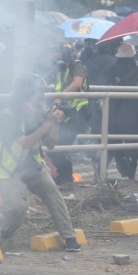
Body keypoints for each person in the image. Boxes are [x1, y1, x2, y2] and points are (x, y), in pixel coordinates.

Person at [0, 73, 82, 252]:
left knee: (53, 194)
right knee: (17, 207)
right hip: (6, 170)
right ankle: (6, 235)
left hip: (32, 167)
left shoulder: (38, 114)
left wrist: (55, 123)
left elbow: (51, 144)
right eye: (36, 93)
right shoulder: (8, 115)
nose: (40, 98)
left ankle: (69, 237)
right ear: (25, 95)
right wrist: (47, 123)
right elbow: (25, 142)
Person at [105, 43, 138, 180]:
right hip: (133, 113)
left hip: (113, 112)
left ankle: (125, 174)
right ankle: (129, 172)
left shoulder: (111, 69)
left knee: (115, 146)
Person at [49, 43, 89, 185]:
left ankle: (66, 179)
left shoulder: (76, 65)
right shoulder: (61, 69)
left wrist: (60, 95)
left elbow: (77, 83)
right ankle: (63, 177)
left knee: (61, 146)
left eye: (57, 54)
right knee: (52, 144)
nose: (54, 57)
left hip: (78, 113)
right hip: (66, 112)